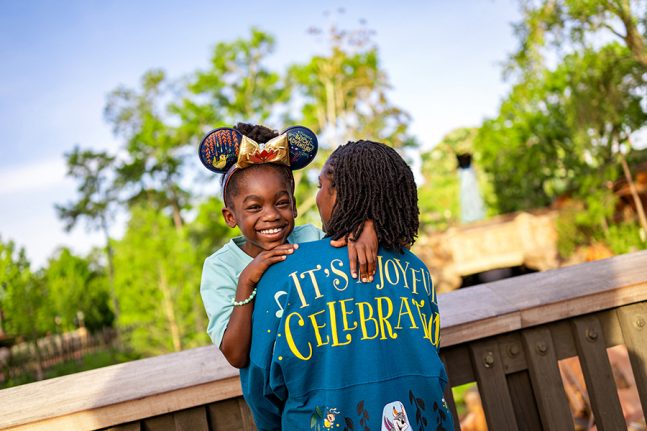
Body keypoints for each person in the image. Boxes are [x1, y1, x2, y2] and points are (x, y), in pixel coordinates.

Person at [241, 140, 454, 431]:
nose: (317, 199)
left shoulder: (280, 273)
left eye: (320, 187)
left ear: (339, 192)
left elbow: (260, 386)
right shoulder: (416, 269)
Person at [198, 124, 378, 368]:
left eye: (281, 203)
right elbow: (236, 356)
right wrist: (247, 281)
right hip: (281, 394)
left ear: (293, 206)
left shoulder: (312, 239)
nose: (271, 215)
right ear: (230, 217)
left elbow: (354, 257)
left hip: (334, 370)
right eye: (254, 207)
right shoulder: (220, 267)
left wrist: (365, 227)